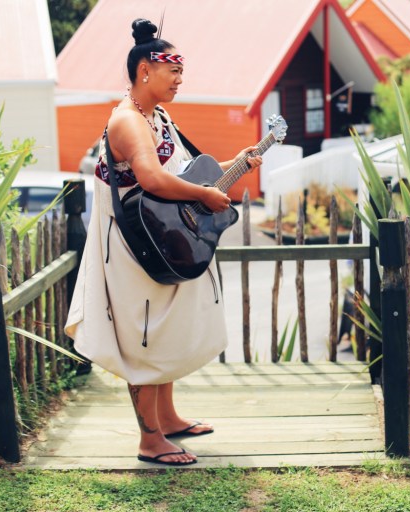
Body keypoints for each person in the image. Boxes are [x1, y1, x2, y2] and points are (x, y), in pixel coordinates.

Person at [65, 18, 262, 466]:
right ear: (144, 72)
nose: (179, 79)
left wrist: (239, 162)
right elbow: (152, 178)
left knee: (165, 327)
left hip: (159, 235)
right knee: (145, 333)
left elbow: (183, 172)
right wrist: (204, 196)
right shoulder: (128, 121)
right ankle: (149, 439)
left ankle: (168, 419)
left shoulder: (157, 116)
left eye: (181, 70)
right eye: (172, 70)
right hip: (136, 243)